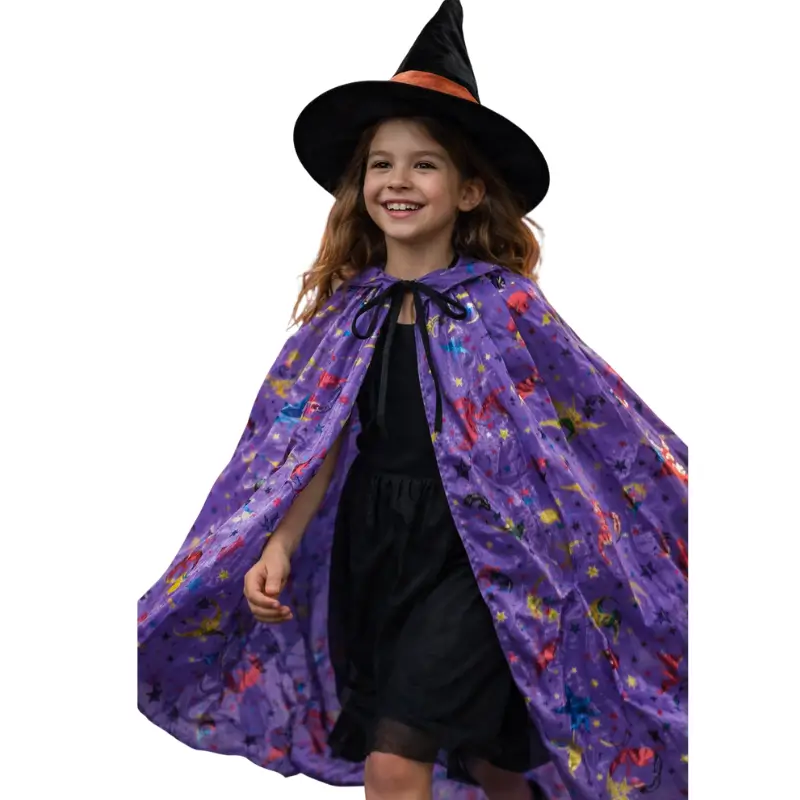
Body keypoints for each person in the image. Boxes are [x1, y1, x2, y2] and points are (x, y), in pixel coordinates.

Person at [137, 3, 688, 799]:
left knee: (395, 765)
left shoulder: (504, 308)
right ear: (359, 187)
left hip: (482, 553)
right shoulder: (345, 318)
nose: (398, 181)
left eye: (424, 164)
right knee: (492, 762)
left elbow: (593, 430)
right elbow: (310, 444)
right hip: (375, 551)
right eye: (381, 164)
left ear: (469, 191)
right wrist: (280, 544)